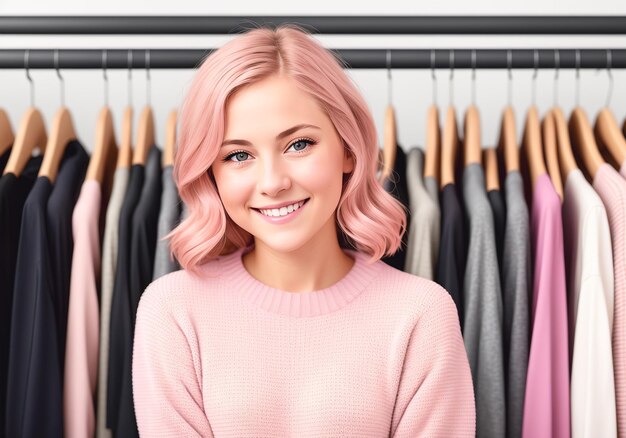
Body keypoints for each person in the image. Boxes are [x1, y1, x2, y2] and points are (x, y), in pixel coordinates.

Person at [132, 23, 475, 437]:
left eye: (299, 145)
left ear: (349, 149)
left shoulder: (421, 315)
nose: (273, 182)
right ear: (211, 172)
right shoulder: (172, 311)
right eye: (239, 155)